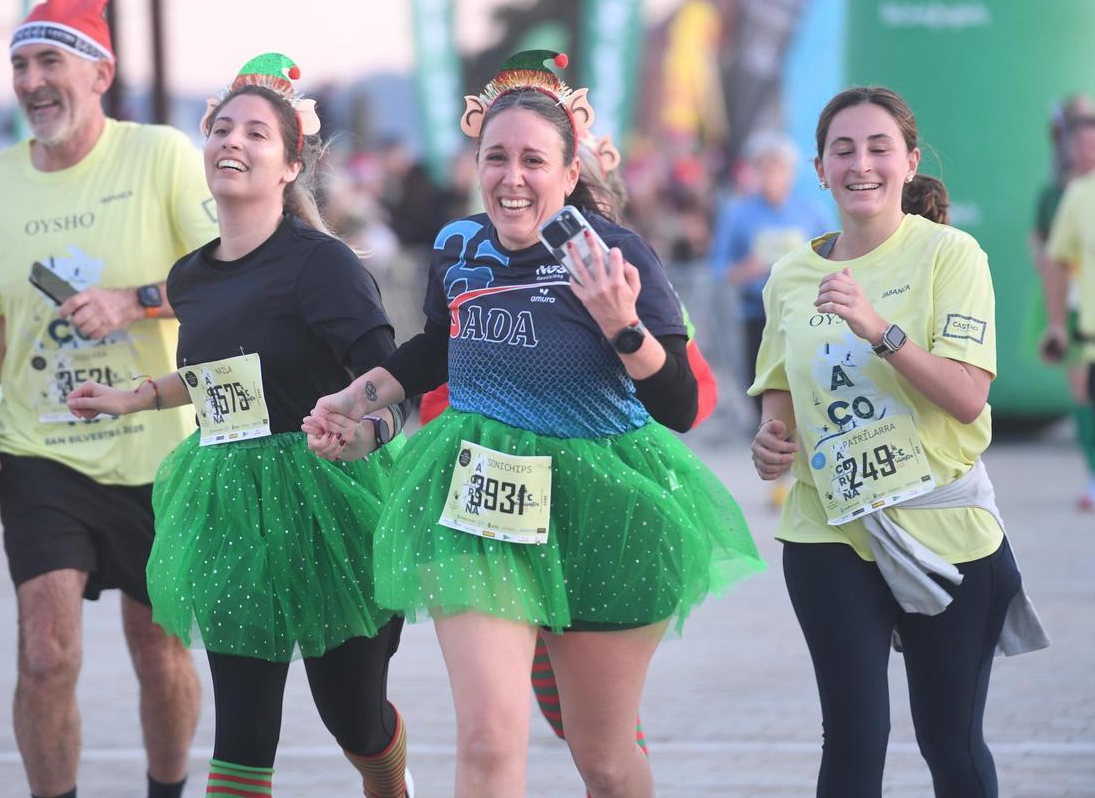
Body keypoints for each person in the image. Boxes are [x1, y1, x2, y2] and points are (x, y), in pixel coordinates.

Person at [305, 51, 763, 798]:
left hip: (601, 503)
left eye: (532, 160)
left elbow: (679, 405)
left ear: (569, 168)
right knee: (487, 743)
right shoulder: (457, 247)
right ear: (475, 163)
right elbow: (434, 351)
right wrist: (353, 401)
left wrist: (622, 326)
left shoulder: (615, 252)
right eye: (496, 158)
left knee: (606, 761)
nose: (511, 177)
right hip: (482, 498)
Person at [66, 54, 413, 798]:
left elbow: (391, 386)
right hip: (228, 503)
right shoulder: (192, 275)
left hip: (329, 505)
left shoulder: (322, 265)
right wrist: (136, 397)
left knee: (353, 718)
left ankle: (389, 781)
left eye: (258, 132)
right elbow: (221, 379)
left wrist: (363, 432)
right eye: (223, 127)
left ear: (290, 165)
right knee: (244, 732)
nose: (235, 141)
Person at [0, 0, 213, 795]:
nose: (32, 82)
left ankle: (165, 790)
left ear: (100, 73)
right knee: (46, 651)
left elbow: (228, 274)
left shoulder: (161, 155)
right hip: (42, 449)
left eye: (49, 63)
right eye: (20, 67)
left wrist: (138, 299)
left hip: (158, 447)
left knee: (158, 647)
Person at [749, 86, 1045, 798]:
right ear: (819, 168)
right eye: (842, 150)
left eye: (879, 147)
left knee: (949, 741)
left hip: (945, 527)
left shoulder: (952, 255)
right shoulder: (792, 274)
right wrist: (771, 438)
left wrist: (880, 330)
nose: (861, 164)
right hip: (828, 527)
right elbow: (780, 389)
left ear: (909, 162)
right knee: (853, 739)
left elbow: (968, 394)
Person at [711, 130, 831, 416]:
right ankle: (769, 429)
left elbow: (837, 255)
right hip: (757, 312)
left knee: (806, 373)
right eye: (764, 167)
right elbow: (718, 266)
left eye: (779, 167)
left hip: (805, 311)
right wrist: (745, 269)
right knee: (761, 377)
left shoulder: (812, 212)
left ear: (791, 171)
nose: (772, 175)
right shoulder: (738, 214)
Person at [1035, 108, 1095, 512]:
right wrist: (1055, 322)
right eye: (1081, 142)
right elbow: (1048, 253)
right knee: (1083, 395)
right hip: (1082, 318)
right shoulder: (1064, 194)